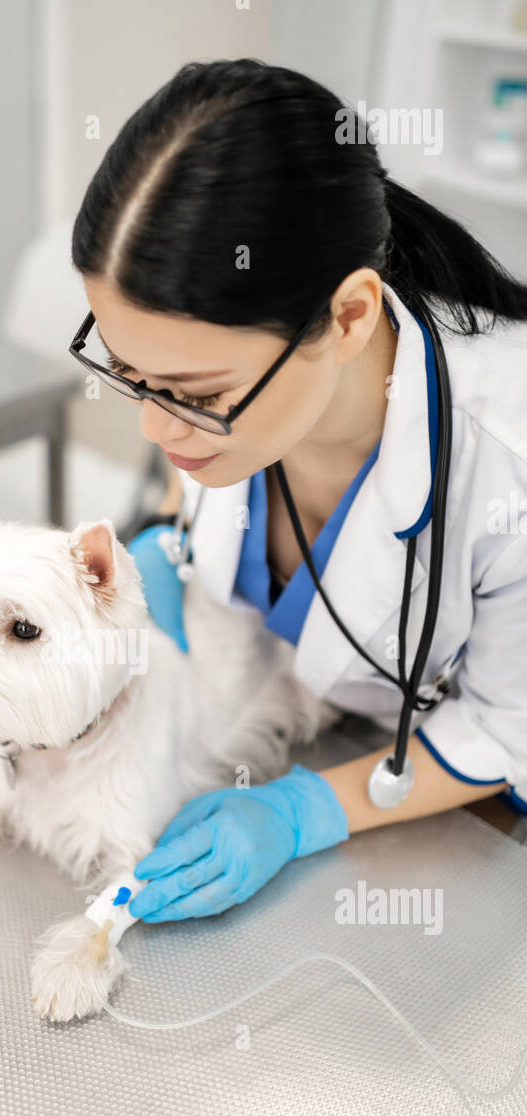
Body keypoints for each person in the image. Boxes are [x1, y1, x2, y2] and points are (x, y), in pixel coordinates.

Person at [68, 58, 527, 924]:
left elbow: (509, 730)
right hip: (313, 719)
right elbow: (191, 475)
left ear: (350, 316)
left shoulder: (508, 459)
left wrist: (301, 811)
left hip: (485, 847)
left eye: (195, 395)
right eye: (129, 375)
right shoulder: (244, 380)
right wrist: (163, 545)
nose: (156, 429)